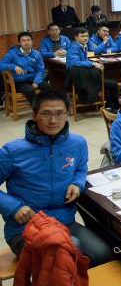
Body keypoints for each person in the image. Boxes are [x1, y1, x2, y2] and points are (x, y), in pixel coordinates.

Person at [0, 90, 111, 266]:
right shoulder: (13, 151)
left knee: (103, 254)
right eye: (46, 114)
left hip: (64, 221)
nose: (53, 120)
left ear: (67, 114)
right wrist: (13, 208)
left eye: (59, 113)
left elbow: (81, 168)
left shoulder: (77, 143)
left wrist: (77, 183)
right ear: (34, 115)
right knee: (68, 251)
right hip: (26, 227)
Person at [0, 32, 51, 103]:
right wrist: (13, 67)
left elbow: (41, 69)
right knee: (29, 90)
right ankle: (37, 108)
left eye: (28, 40)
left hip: (33, 78)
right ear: (19, 43)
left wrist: (36, 81)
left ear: (32, 42)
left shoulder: (36, 54)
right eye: (23, 40)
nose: (26, 42)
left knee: (48, 87)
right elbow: (1, 65)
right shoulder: (12, 53)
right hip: (19, 81)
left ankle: (46, 105)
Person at [66, 28, 104, 104]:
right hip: (75, 75)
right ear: (76, 37)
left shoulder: (84, 45)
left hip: (83, 72)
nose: (85, 38)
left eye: (87, 36)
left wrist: (93, 63)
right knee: (97, 74)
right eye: (82, 36)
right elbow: (74, 62)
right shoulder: (74, 47)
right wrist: (92, 64)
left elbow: (84, 60)